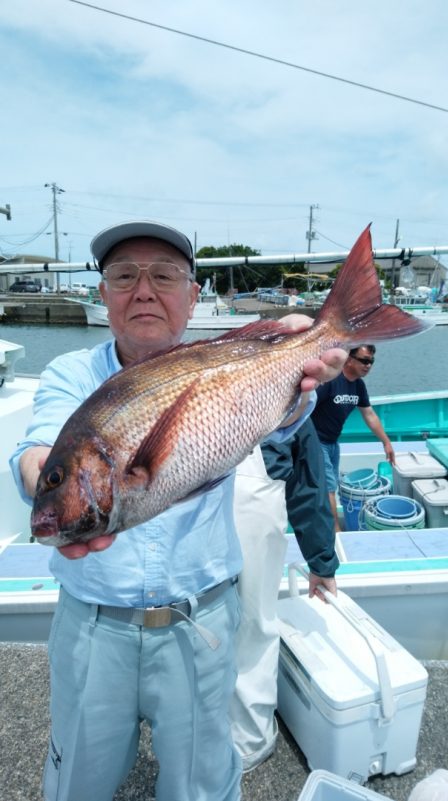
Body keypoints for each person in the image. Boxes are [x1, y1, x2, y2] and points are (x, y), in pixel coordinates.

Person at [9, 219, 347, 801]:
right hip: (92, 625)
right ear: (102, 293)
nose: (143, 290)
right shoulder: (72, 376)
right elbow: (38, 449)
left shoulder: (233, 357)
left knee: (201, 786)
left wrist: (304, 375)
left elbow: (278, 421)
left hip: (203, 624)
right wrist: (51, 481)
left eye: (164, 276)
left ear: (193, 297)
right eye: (123, 275)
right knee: (76, 784)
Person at [231, 418, 338, 772]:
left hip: (197, 501)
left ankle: (223, 737)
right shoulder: (292, 389)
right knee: (254, 624)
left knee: (202, 624)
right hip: (252, 503)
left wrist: (321, 559)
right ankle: (250, 739)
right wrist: (321, 562)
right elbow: (308, 482)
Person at [311, 344, 396, 532]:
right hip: (316, 441)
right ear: (349, 359)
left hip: (333, 442)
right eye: (364, 360)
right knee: (329, 487)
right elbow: (306, 408)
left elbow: (369, 414)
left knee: (330, 483)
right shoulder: (331, 381)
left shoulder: (358, 385)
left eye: (371, 362)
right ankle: (335, 531)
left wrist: (386, 441)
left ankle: (328, 523)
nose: (368, 365)